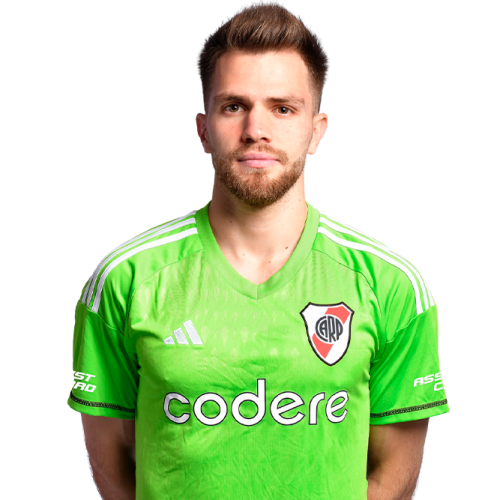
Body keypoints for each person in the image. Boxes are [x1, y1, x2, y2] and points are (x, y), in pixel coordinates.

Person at [67, 2, 450, 499]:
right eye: (233, 106)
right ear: (203, 129)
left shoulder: (392, 284)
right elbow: (114, 464)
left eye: (283, 108)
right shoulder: (126, 278)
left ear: (317, 131)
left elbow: (393, 477)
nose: (256, 130)